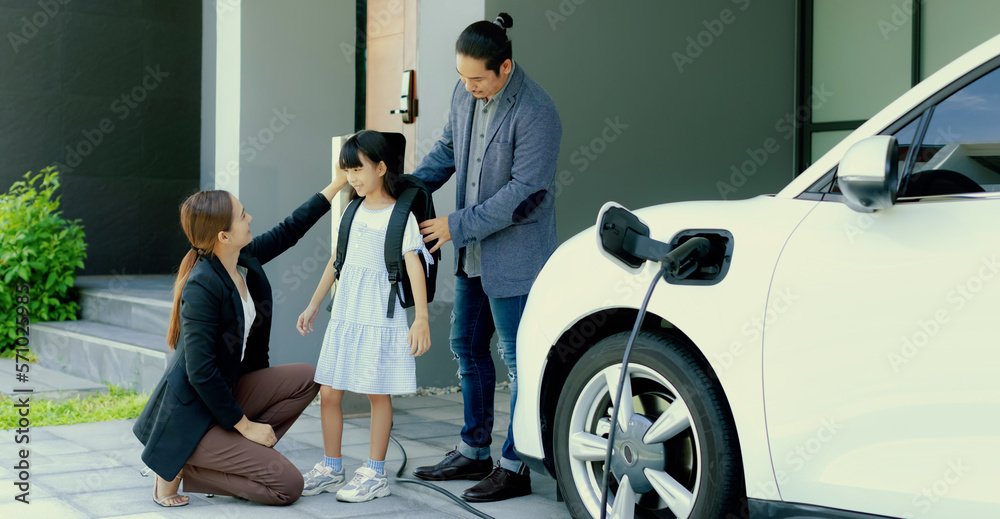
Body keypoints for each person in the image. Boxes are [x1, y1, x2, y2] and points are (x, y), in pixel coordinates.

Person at [410, 13, 562, 502]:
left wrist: (455, 226)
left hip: (516, 257)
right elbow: (447, 150)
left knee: (519, 362)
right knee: (467, 349)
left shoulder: (537, 111)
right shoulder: (465, 92)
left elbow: (526, 194)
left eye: (478, 78)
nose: (468, 86)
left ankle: (515, 465)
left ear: (505, 68)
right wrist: (404, 190)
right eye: (462, 77)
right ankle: (473, 449)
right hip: (473, 256)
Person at [133, 180, 343, 506]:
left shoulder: (243, 259)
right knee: (288, 486)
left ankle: (227, 454)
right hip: (192, 415)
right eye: (243, 215)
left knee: (307, 377)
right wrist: (246, 427)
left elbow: (290, 230)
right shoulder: (202, 286)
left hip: (227, 393)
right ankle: (182, 466)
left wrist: (337, 184)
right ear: (223, 236)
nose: (251, 218)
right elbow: (200, 373)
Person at [295, 130, 432, 502]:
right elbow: (337, 262)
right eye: (347, 170)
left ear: (381, 167)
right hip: (346, 314)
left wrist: (421, 317)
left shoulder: (400, 215)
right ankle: (331, 466)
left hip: (379, 314)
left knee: (376, 393)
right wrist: (313, 304)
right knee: (329, 393)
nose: (351, 178)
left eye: (358, 169)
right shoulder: (352, 210)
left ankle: (375, 473)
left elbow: (413, 263)